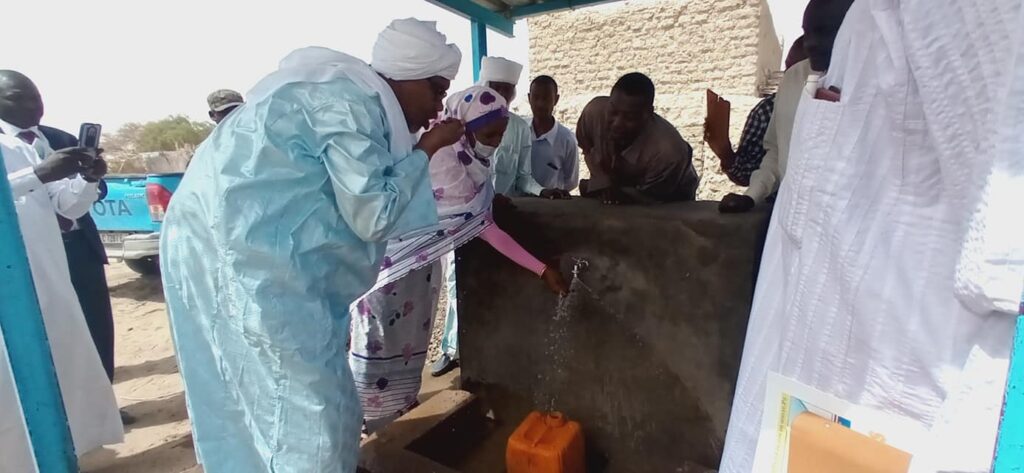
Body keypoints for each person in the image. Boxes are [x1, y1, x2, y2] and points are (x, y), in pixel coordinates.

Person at [720, 0, 1024, 471]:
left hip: (900, 388)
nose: (817, 46)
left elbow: (1004, 237)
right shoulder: (815, 71)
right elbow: (779, 160)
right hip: (811, 368)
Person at [159, 18, 465, 473]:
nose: (438, 107)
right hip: (243, 257)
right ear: (406, 75)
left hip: (247, 251)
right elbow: (374, 211)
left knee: (285, 387)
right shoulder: (350, 103)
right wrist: (430, 147)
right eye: (436, 90)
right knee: (302, 401)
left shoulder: (344, 93)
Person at [350, 86, 569, 433]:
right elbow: (482, 226)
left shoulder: (470, 161)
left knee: (409, 346)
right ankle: (367, 422)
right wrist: (540, 269)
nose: (495, 142)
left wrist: (540, 267)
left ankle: (398, 411)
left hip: (421, 273)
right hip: (389, 273)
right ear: (464, 128)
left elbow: (480, 217)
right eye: (488, 134)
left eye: (500, 134)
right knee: (377, 345)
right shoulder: (440, 162)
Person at [0, 133, 123, 471]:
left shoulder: (17, 148)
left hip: (48, 278)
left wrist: (88, 179)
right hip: (9, 293)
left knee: (62, 373)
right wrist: (37, 175)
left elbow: (67, 207)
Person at [0, 71, 118, 390]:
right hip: (25, 260)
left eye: (36, 97)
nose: (31, 105)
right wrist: (38, 174)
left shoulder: (58, 138)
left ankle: (100, 401)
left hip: (78, 248)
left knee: (94, 328)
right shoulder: (9, 149)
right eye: (17, 98)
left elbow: (71, 202)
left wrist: (91, 179)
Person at [717, 25, 820, 211]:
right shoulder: (792, 80)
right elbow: (777, 152)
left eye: (825, 30)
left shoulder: (874, 86)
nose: (812, 41)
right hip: (787, 211)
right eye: (809, 30)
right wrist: (752, 196)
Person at [576, 72, 699, 204]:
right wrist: (602, 181)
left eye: (629, 118)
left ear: (649, 113)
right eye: (613, 112)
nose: (617, 123)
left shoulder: (668, 152)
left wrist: (608, 190)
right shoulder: (593, 113)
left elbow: (650, 199)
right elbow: (588, 150)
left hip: (666, 198)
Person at [704, 37, 807, 186]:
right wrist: (724, 151)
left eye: (797, 71)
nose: (789, 77)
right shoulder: (767, 111)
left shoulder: (837, 111)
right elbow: (750, 174)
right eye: (788, 70)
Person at [477, 56, 566, 200]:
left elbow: (523, 178)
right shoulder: (467, 123)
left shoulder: (520, 128)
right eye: (496, 88)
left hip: (506, 210)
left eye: (507, 89)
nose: (501, 94)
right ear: (486, 87)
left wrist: (542, 191)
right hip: (473, 211)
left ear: (513, 93)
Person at [528, 75, 579, 193]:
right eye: (535, 97)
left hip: (551, 207)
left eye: (546, 98)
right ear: (529, 98)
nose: (540, 104)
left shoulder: (567, 139)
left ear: (556, 99)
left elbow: (571, 182)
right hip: (520, 203)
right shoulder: (520, 132)